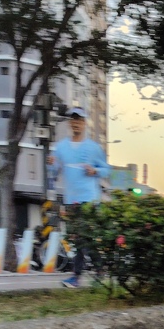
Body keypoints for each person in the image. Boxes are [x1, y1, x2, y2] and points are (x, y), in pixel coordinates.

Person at [47, 106, 110, 286]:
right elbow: (54, 172)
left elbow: (106, 170)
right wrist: (51, 164)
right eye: (73, 120)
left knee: (82, 238)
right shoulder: (61, 147)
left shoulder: (93, 148)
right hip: (70, 200)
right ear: (70, 123)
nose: (76, 123)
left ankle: (77, 276)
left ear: (84, 123)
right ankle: (99, 271)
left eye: (79, 120)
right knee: (82, 239)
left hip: (89, 200)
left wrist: (95, 170)